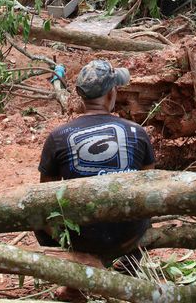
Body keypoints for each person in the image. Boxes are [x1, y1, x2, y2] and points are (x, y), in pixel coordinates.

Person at [35, 59, 155, 266]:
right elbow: (150, 183)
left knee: (38, 213)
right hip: (127, 234)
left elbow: (47, 195)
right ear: (111, 94)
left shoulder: (58, 136)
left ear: (81, 97)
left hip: (81, 237)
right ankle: (128, 264)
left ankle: (73, 272)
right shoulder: (137, 132)